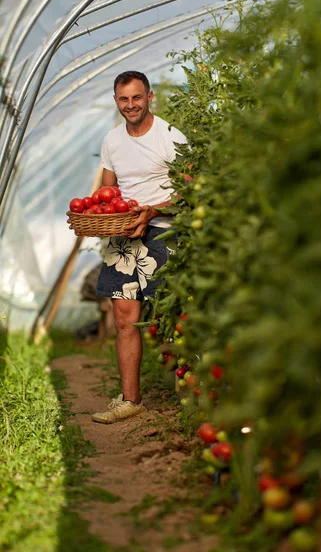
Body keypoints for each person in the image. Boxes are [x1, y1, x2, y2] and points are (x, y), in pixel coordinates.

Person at [91, 70, 187, 424]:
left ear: (149, 97)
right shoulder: (112, 141)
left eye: (136, 97)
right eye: (123, 99)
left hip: (164, 232)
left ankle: (192, 395)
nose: (130, 105)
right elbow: (107, 192)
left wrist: (152, 212)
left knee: (175, 316)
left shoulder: (170, 136)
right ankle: (131, 400)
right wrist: (101, 212)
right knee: (124, 319)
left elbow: (189, 191)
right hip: (124, 235)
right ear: (117, 101)